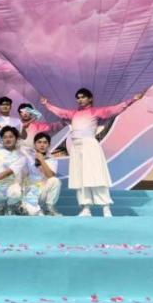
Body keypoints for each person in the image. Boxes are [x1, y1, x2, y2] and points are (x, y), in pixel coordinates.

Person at [41, 88, 143, 217]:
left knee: (95, 175)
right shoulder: (73, 114)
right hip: (76, 147)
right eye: (78, 98)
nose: (80, 100)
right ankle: (85, 208)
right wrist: (47, 104)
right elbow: (60, 112)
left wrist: (132, 100)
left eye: (83, 97)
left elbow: (114, 109)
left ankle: (106, 208)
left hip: (89, 145)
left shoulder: (96, 111)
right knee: (80, 178)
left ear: (90, 99)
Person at [18, 133, 62, 216]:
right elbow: (17, 145)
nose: (42, 145)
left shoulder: (51, 159)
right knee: (34, 214)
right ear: (35, 144)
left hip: (42, 191)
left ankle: (49, 208)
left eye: (45, 142)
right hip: (30, 191)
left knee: (55, 181)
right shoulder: (28, 155)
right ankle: (22, 206)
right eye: (39, 142)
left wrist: (42, 160)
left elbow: (51, 176)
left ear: (49, 145)